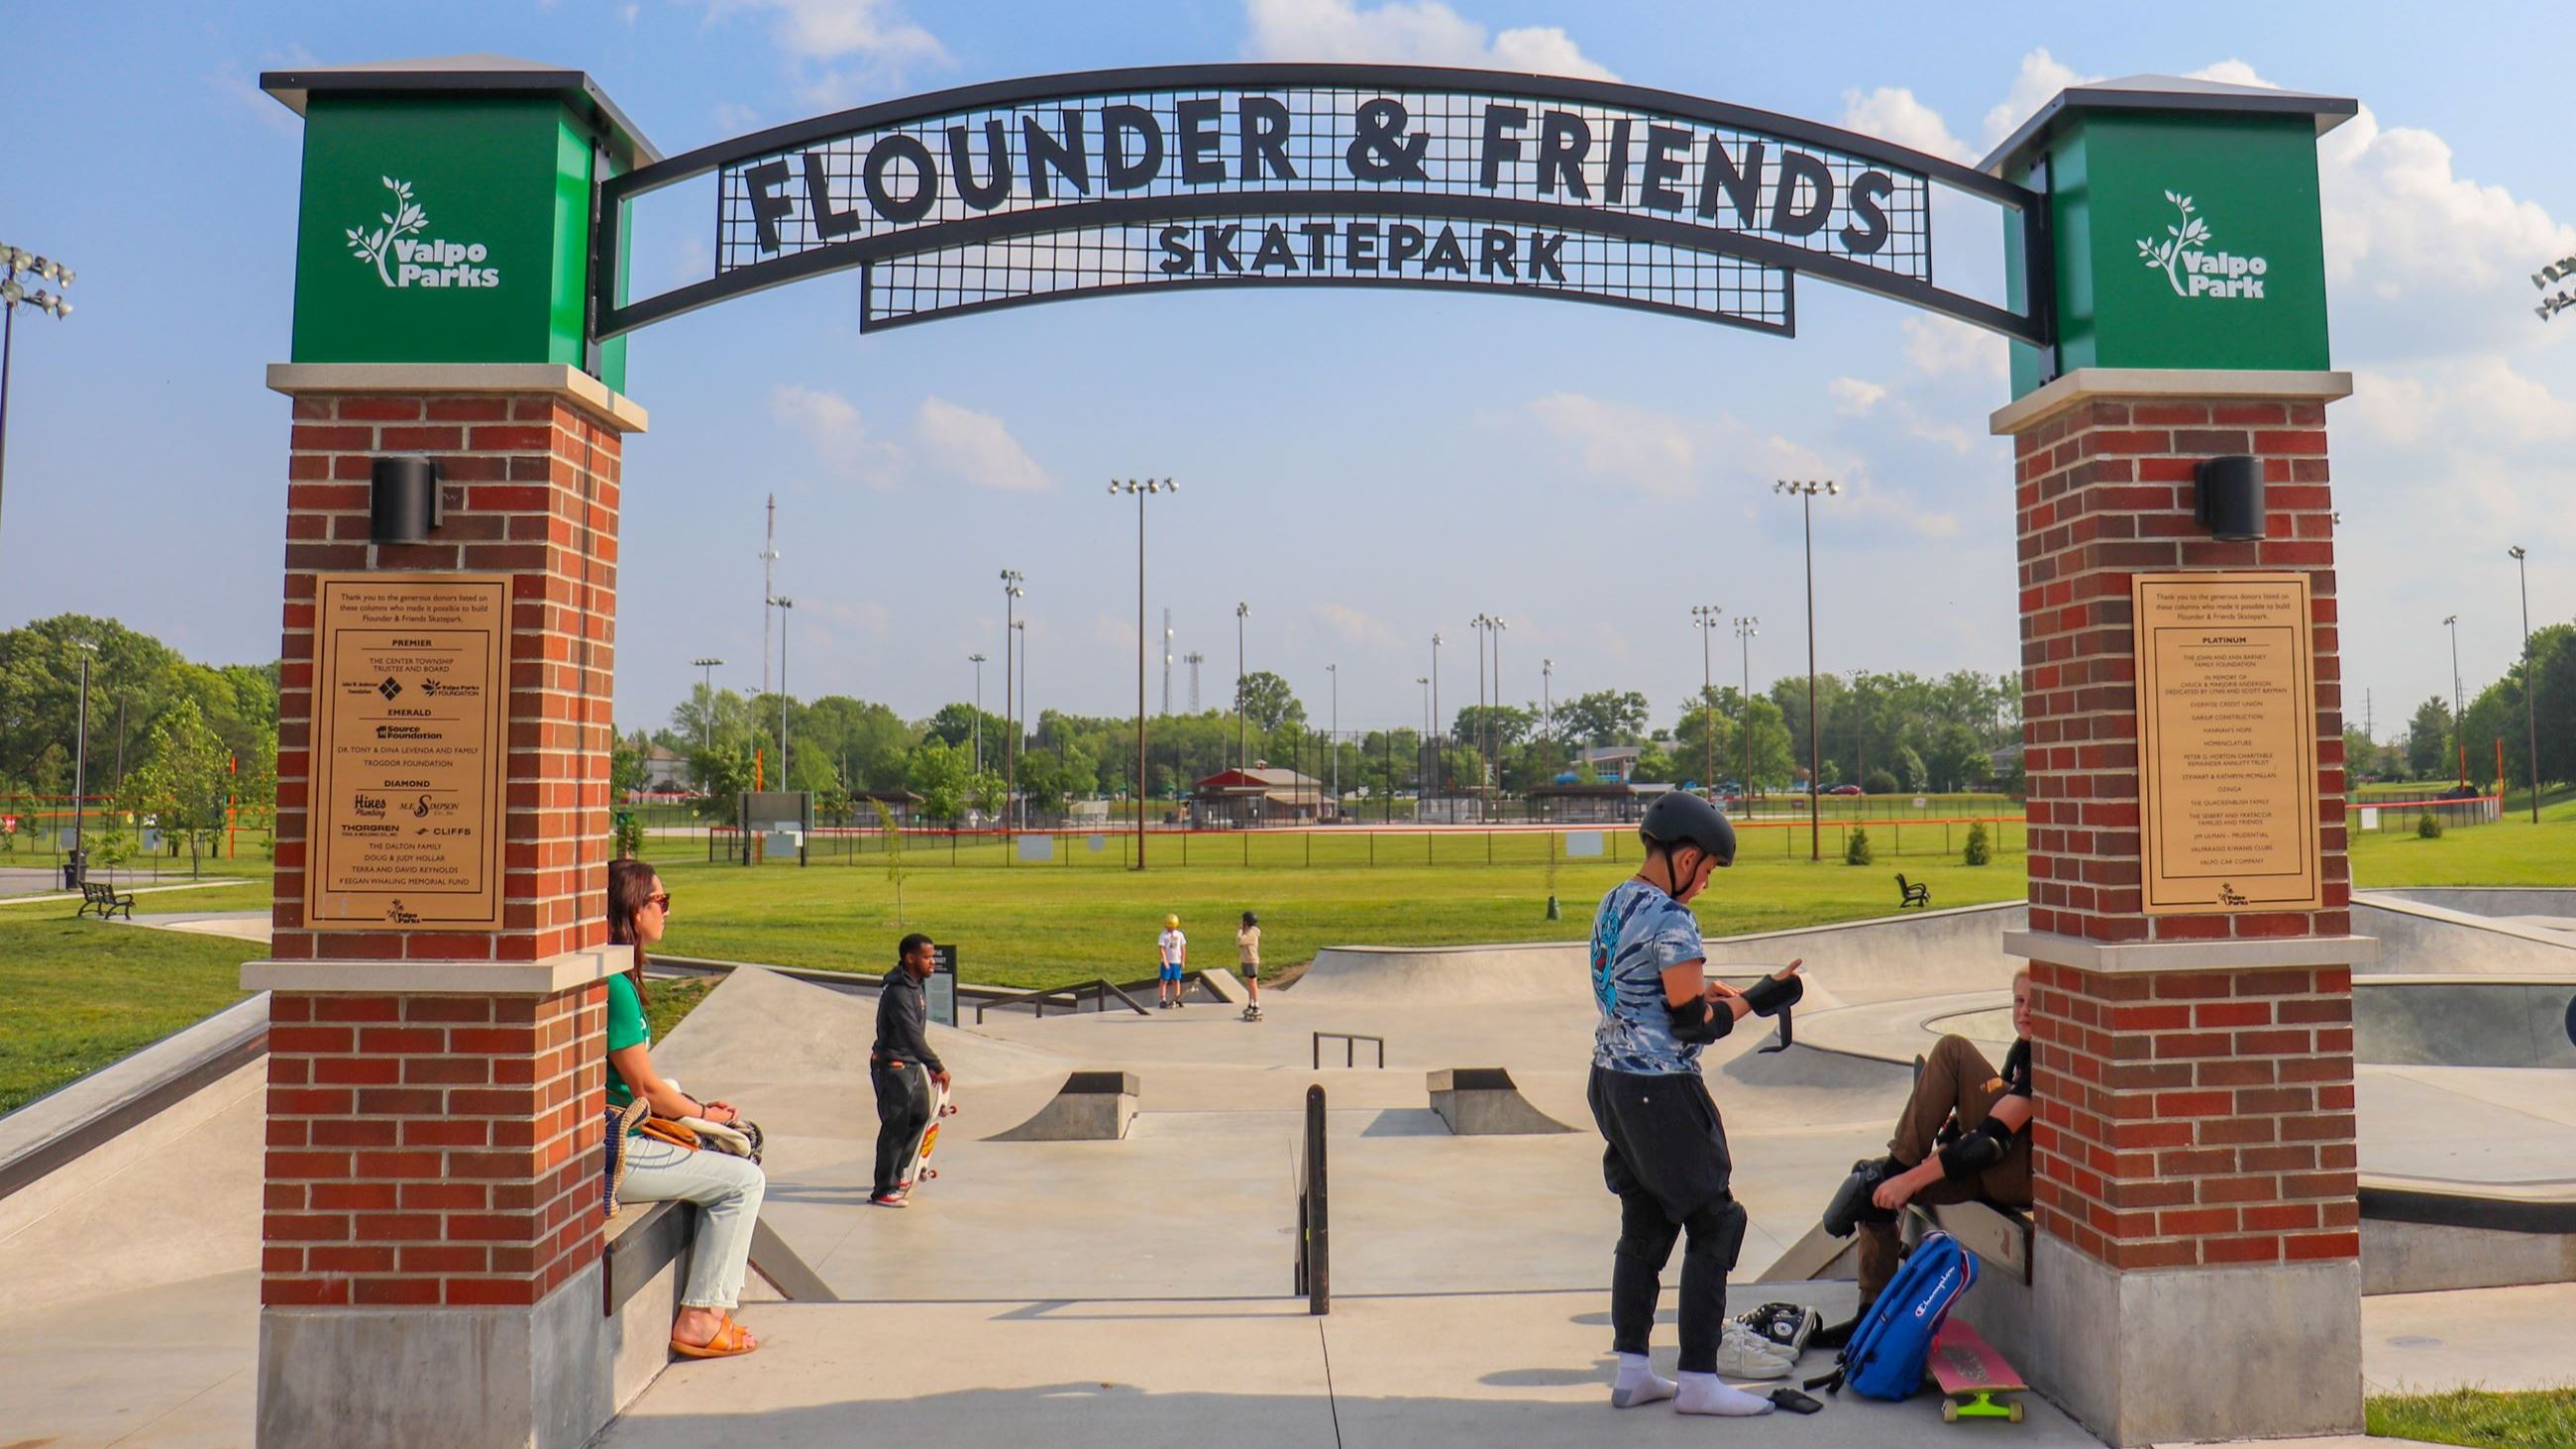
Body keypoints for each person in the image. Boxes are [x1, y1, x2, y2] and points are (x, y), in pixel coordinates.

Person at [1586, 792, 1805, 1416]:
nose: (1705, 884)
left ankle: (1632, 1369)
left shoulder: (1616, 900)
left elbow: (1646, 982)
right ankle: (1700, 1380)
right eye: (1706, 870)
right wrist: (1760, 998)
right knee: (1715, 1220)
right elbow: (1693, 1023)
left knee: (1647, 1220)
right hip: (1661, 1088)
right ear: (1684, 856)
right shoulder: (1673, 918)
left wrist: (1715, 986)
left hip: (1611, 1079)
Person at [602, 858, 765, 1360]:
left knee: (728, 1152)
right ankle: (701, 1317)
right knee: (743, 1181)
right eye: (661, 901)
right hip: (613, 1155)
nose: (667, 911)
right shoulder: (615, 986)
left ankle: (712, 1309)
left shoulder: (614, 975)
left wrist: (691, 1108)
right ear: (634, 907)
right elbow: (646, 1087)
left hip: (611, 1137)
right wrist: (703, 1114)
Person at [1821, 967, 2035, 1315]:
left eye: (2037, 1003)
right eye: (2019, 1001)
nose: (2025, 1011)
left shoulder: (2049, 1055)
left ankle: (1898, 1163)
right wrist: (1926, 1162)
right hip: (1994, 1173)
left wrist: (1908, 1176)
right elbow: (1977, 1140)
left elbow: (1991, 1141)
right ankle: (1873, 1313)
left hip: (2020, 1176)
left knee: (1953, 1050)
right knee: (1872, 1186)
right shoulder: (2021, 1051)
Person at [871, 932, 950, 1207]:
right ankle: (883, 1188)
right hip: (893, 1066)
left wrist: (923, 1063)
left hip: (910, 1064)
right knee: (895, 1125)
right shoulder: (899, 992)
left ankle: (897, 1170)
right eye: (927, 957)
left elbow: (915, 1035)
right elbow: (910, 1033)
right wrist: (936, 1065)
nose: (933, 962)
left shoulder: (915, 985)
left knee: (918, 1115)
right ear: (910, 958)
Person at [1236, 910, 1263, 1021]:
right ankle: (1251, 1003)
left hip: (1252, 960)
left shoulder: (1252, 933)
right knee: (1249, 983)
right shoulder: (1248, 931)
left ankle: (1256, 1005)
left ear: (1246, 922)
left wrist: (1239, 930)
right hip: (1245, 960)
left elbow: (1240, 941)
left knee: (1253, 983)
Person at [1157, 913, 1187, 1009]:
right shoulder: (1163, 935)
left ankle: (1177, 998)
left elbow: (1183, 948)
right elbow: (1161, 948)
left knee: (1176, 980)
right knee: (1164, 980)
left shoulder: (1179, 935)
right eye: (1170, 928)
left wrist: (1182, 960)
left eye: (1173, 927)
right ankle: (1162, 999)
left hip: (1176, 961)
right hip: (1167, 962)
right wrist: (1165, 960)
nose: (1171, 930)